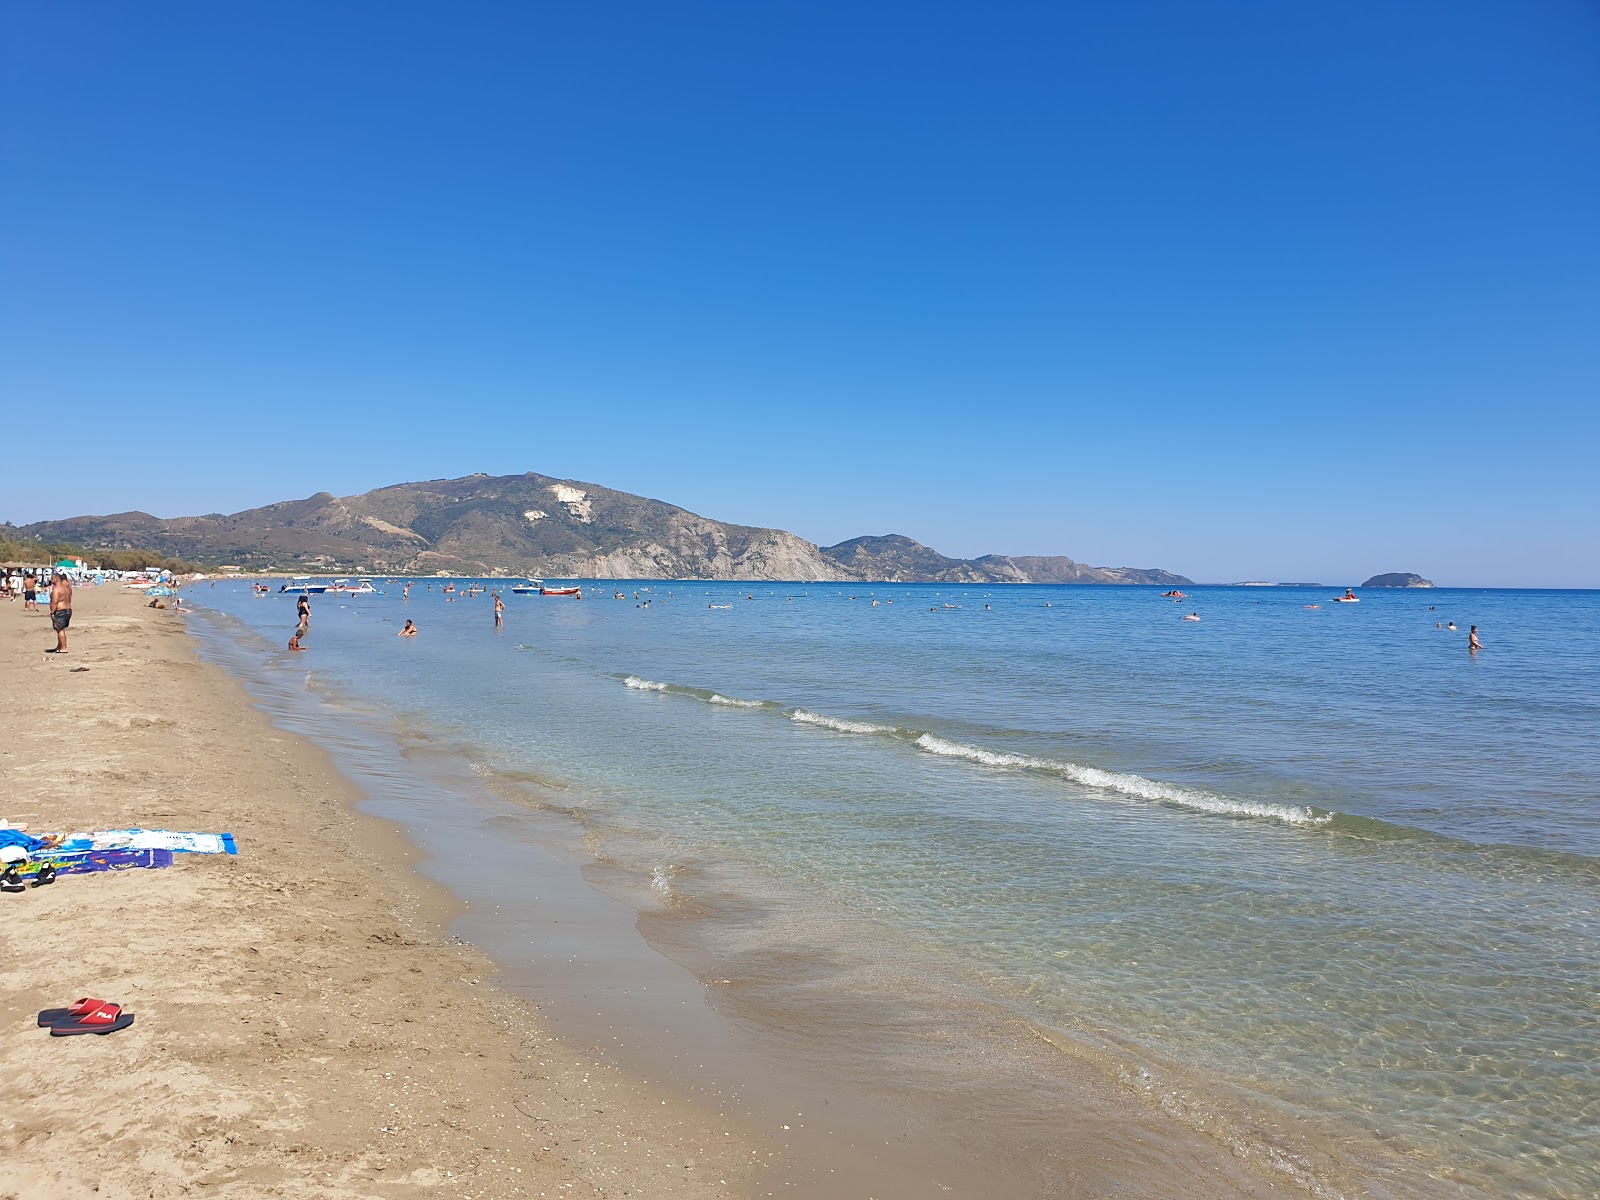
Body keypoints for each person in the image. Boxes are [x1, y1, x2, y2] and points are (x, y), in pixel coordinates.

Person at [46, 571, 72, 654]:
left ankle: (64, 647)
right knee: (60, 629)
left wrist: (52, 612)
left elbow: (54, 602)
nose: (51, 580)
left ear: (57, 579)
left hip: (60, 610)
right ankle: (60, 646)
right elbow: (69, 598)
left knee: (60, 630)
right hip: (68, 609)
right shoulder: (67, 588)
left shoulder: (57, 590)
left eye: (52, 578)